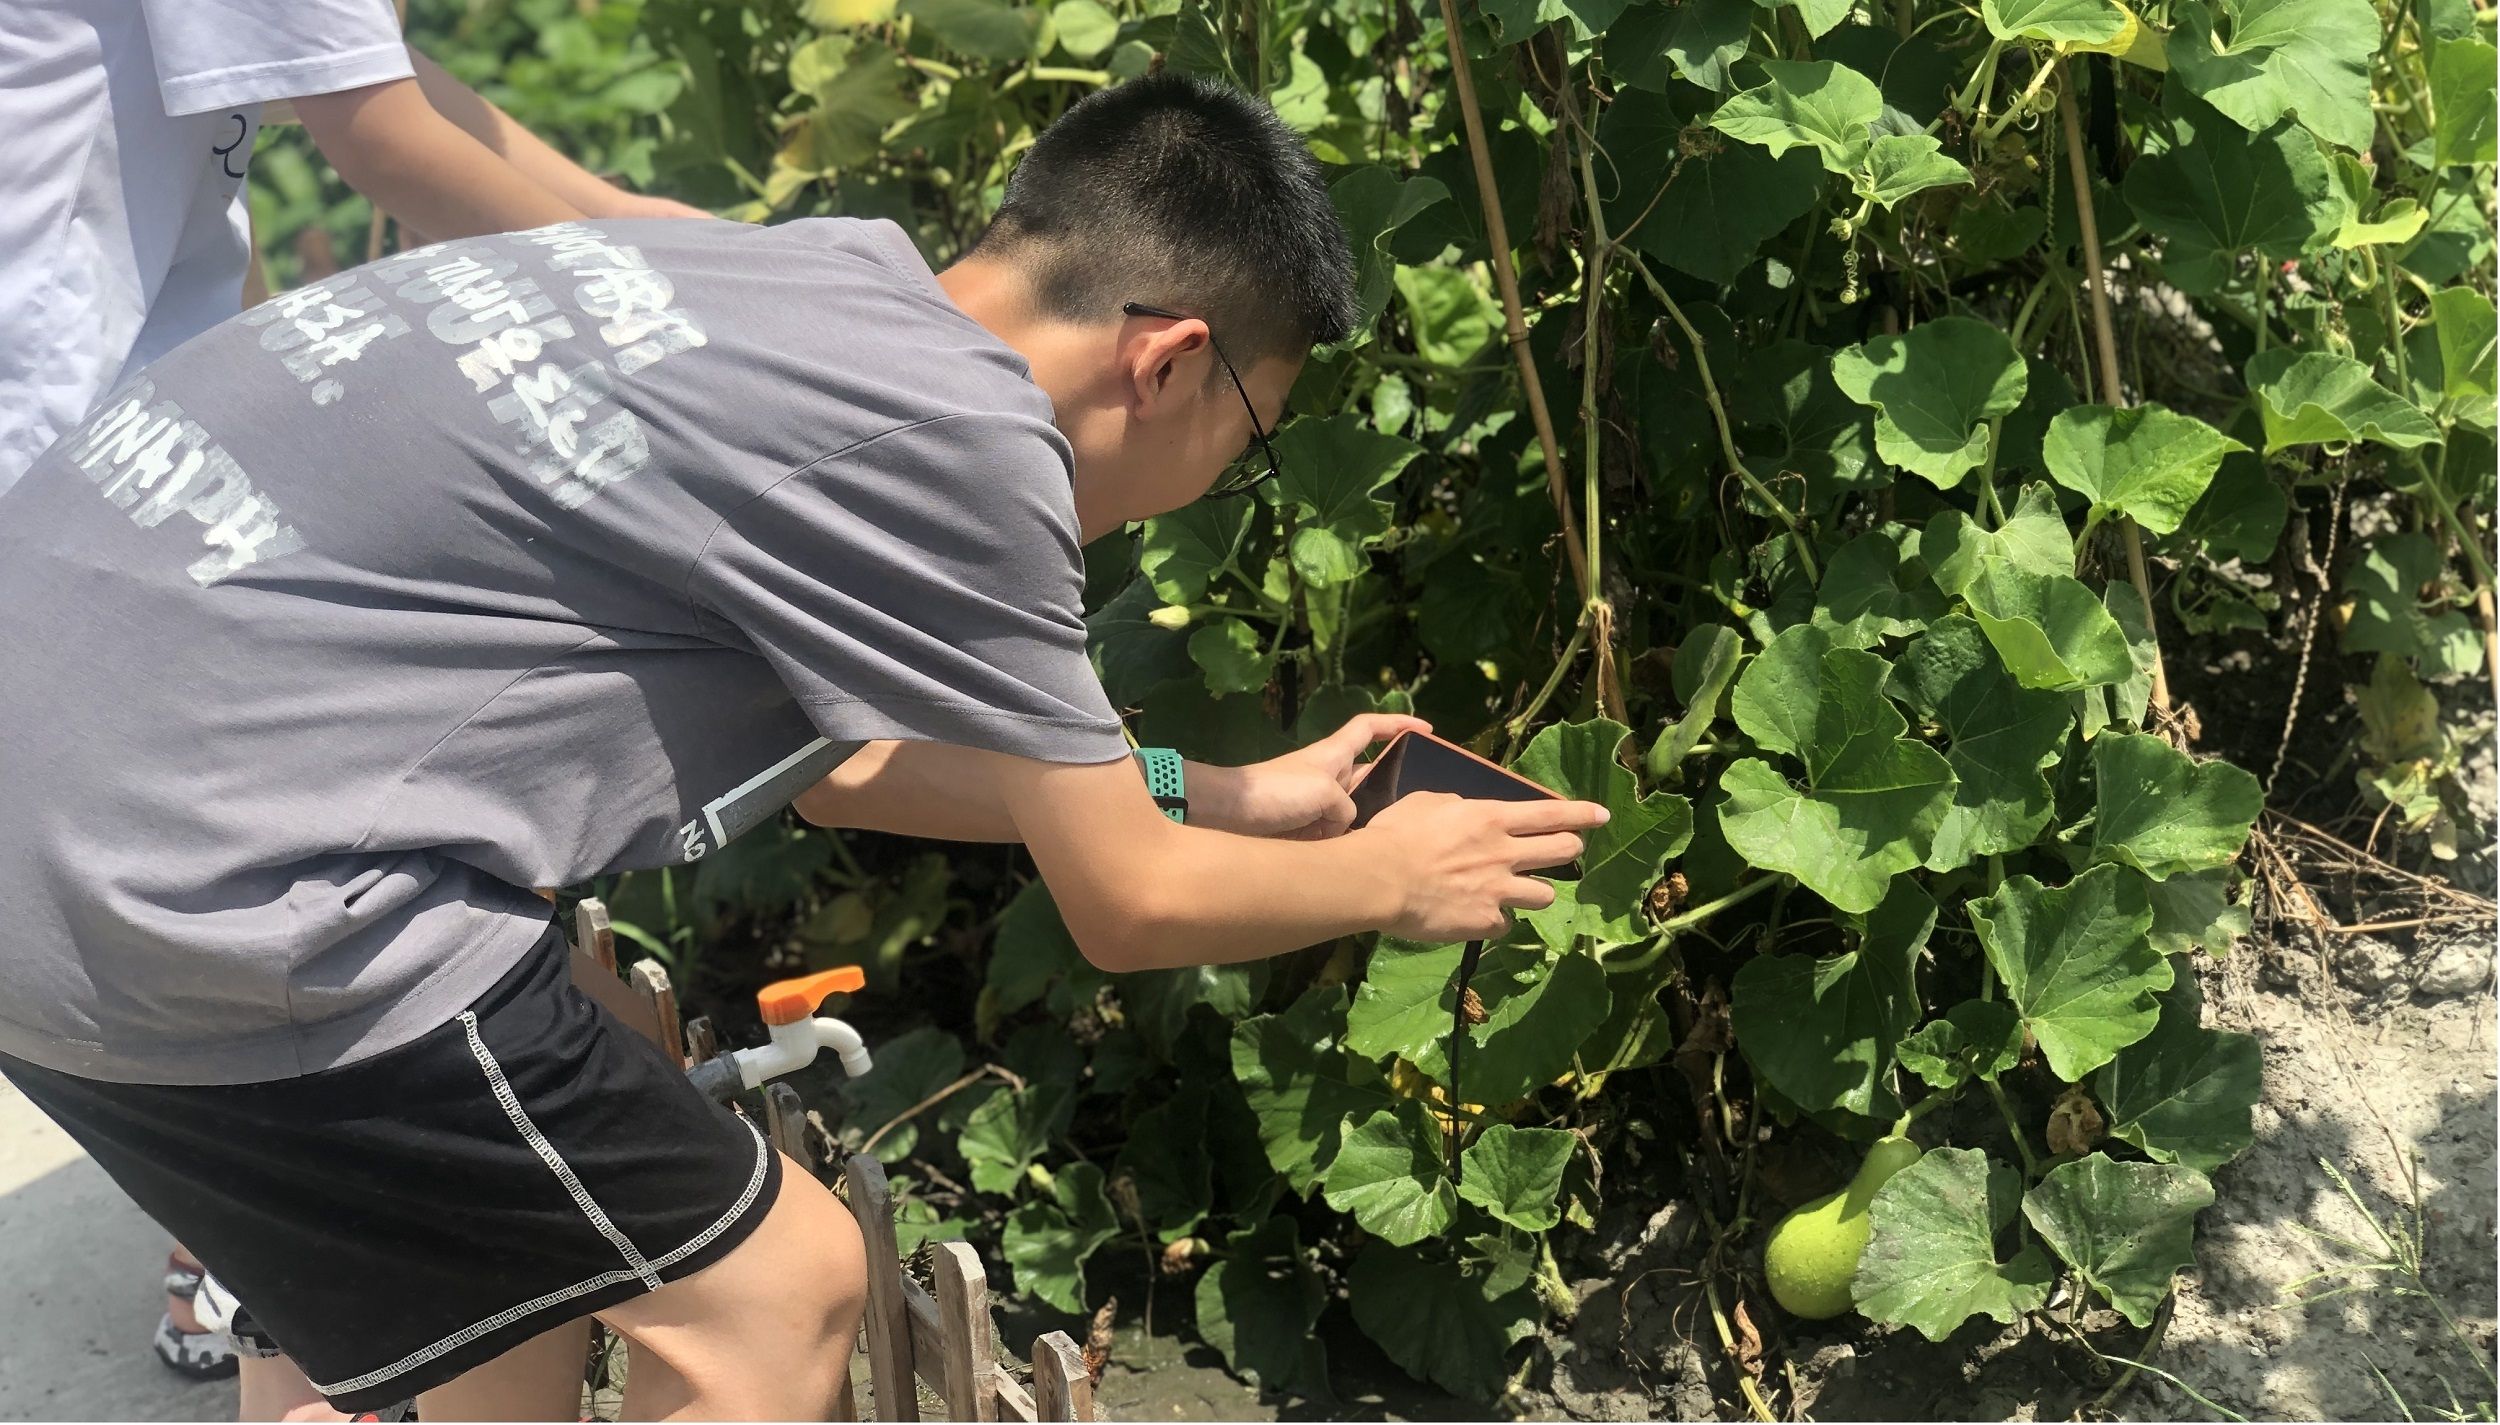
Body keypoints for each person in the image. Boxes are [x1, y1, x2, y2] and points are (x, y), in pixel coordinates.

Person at [0, 72, 1606, 1420]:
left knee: (535, 1271)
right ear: (1172, 359)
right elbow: (1128, 905)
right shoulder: (970, 439)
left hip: (64, 802)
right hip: (200, 897)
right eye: (1247, 443)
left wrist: (1227, 793)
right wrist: (1396, 878)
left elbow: (840, 760)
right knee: (781, 1295)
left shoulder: (810, 290)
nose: (1213, 483)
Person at [0, 0, 703, 496]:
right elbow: (381, 137)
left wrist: (613, 214)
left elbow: (346, 62)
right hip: (48, 383)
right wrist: (647, 293)